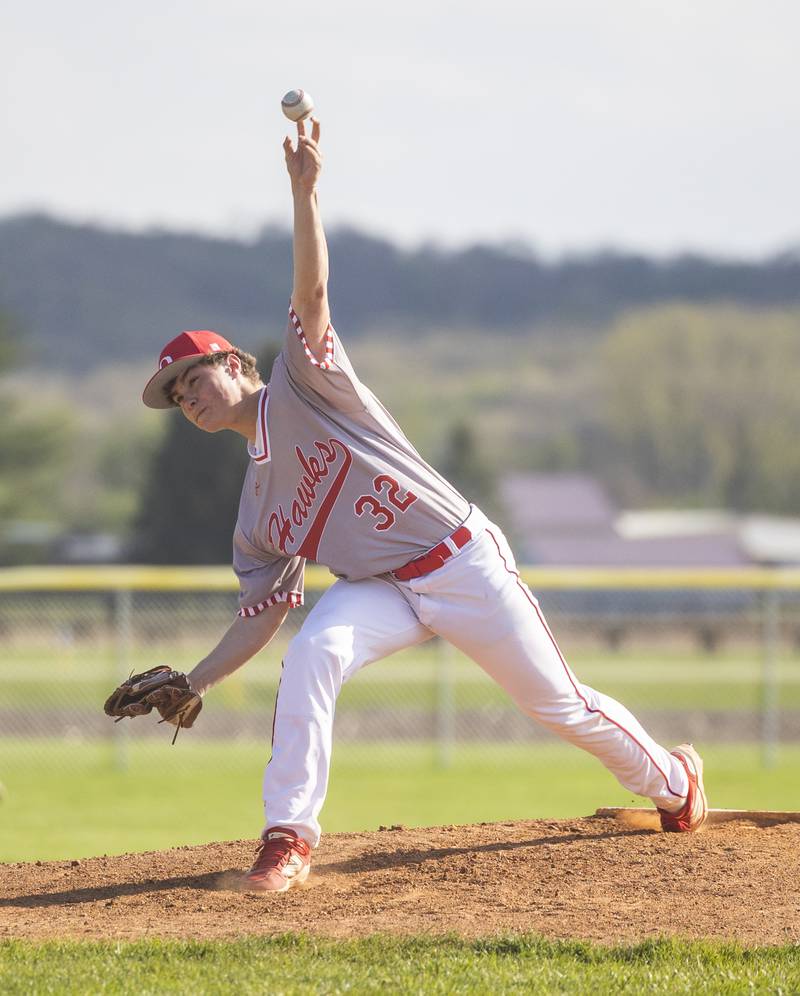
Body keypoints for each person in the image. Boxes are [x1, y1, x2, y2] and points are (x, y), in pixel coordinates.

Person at [140, 117, 708, 893]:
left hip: (462, 561)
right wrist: (197, 681)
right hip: (384, 590)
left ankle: (675, 783)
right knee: (312, 651)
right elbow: (262, 616)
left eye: (196, 378)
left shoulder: (309, 385)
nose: (189, 399)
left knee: (560, 707)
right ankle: (288, 836)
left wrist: (305, 193)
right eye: (178, 396)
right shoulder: (255, 513)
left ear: (235, 363)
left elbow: (310, 291)